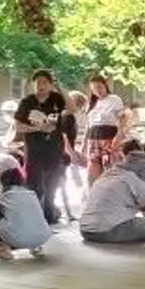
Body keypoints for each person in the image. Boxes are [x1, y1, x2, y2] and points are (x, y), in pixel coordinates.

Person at [79, 157, 145, 244]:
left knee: (144, 223)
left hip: (85, 230)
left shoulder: (105, 177)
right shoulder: (133, 179)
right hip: (106, 231)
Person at [15, 69, 69, 225]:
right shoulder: (27, 102)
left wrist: (59, 87)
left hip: (55, 150)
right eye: (38, 83)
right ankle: (35, 217)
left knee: (51, 187)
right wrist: (39, 128)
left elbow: (72, 108)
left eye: (45, 82)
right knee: (35, 186)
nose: (41, 86)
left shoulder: (57, 99)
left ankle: (49, 215)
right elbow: (18, 126)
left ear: (51, 84)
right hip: (34, 151)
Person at [0, 167, 53, 258]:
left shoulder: (3, 193)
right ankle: (36, 247)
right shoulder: (31, 193)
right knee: (24, 215)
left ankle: (3, 249)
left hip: (18, 239)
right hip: (43, 237)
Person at [82, 75, 128, 183]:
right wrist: (84, 143)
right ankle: (94, 192)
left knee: (110, 169)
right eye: (94, 88)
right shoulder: (91, 103)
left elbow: (122, 118)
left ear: (105, 86)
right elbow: (88, 125)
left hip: (108, 137)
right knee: (93, 172)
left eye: (99, 87)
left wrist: (120, 134)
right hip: (93, 139)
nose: (97, 90)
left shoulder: (114, 99)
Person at [59, 90, 87, 221]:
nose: (80, 109)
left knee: (61, 183)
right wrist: (71, 153)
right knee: (61, 182)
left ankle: (68, 212)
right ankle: (68, 212)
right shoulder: (68, 116)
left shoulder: (65, 115)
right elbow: (64, 136)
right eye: (81, 106)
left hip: (63, 152)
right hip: (62, 154)